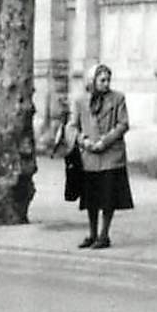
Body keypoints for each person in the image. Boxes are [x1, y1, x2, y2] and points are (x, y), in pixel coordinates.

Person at [66, 63, 131, 249]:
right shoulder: (80, 101)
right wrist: (83, 141)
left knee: (108, 197)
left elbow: (123, 124)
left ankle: (104, 234)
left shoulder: (118, 98)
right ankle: (92, 233)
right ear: (92, 81)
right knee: (91, 198)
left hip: (111, 155)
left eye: (108, 79)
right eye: (102, 80)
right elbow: (72, 126)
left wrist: (105, 141)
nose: (106, 83)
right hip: (90, 156)